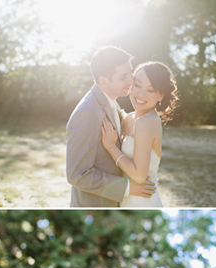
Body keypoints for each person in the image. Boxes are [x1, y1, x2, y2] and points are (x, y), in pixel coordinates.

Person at [67, 46, 156, 207]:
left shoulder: (110, 102)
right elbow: (77, 175)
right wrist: (128, 187)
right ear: (104, 81)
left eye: (130, 72)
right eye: (123, 77)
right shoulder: (87, 113)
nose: (131, 80)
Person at [100, 61, 178, 207]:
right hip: (127, 195)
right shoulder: (129, 118)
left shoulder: (147, 121)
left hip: (141, 199)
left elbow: (139, 176)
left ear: (161, 95)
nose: (140, 94)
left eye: (150, 90)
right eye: (137, 85)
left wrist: (111, 147)